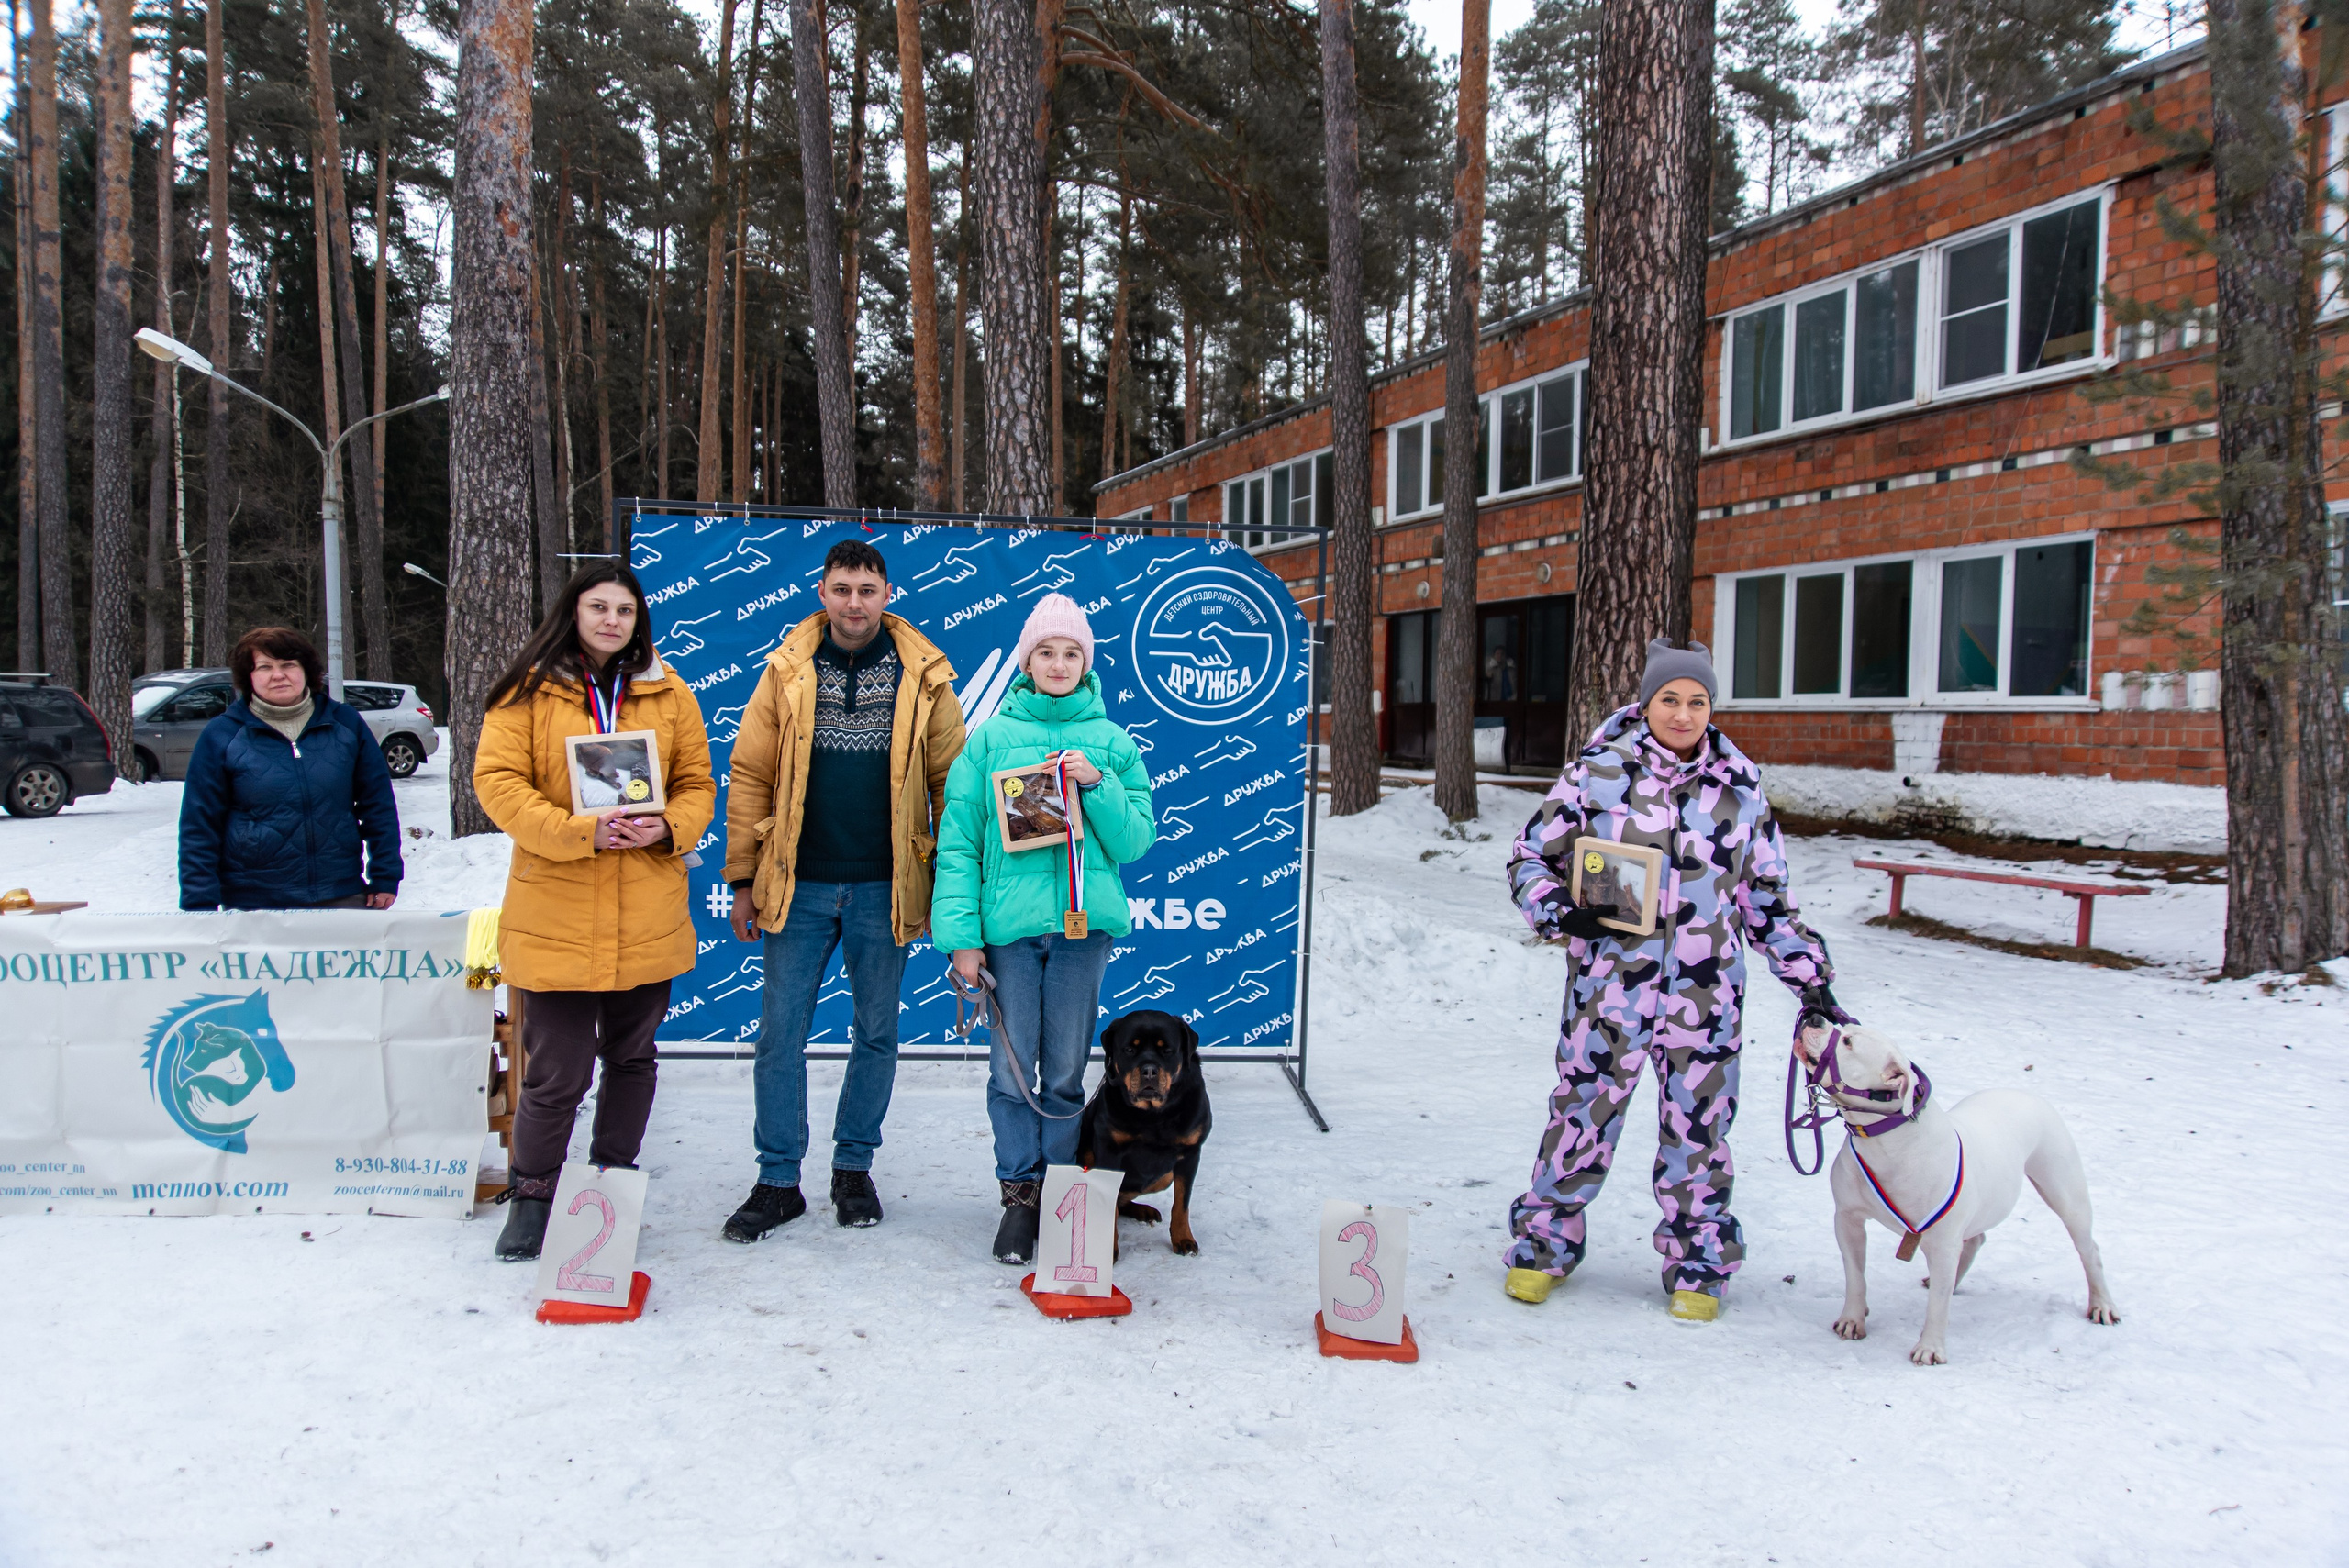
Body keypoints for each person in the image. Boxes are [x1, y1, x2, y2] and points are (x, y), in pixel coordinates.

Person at [1500, 638, 1842, 1322]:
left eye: (1697, 701)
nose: (1683, 713)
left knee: (1700, 1131)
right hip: (1608, 992)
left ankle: (1698, 1262)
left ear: (1711, 707)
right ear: (1646, 702)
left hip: (1705, 999)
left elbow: (1767, 900)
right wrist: (1562, 911)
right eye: (1670, 699)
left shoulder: (1740, 790)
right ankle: (1543, 1244)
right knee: (1581, 1115)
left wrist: (1811, 978)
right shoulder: (1596, 773)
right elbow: (1528, 857)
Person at [719, 539, 967, 1240]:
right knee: (779, 1036)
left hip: (884, 887)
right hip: (796, 886)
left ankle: (853, 1166)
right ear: (822, 593)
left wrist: (948, 885)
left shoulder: (926, 677)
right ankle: (777, 1180)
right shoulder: (786, 670)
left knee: (879, 1033)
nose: (854, 601)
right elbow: (750, 773)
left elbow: (955, 785)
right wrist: (742, 876)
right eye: (842, 588)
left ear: (887, 594)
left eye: (867, 588)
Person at [473, 562, 716, 1262]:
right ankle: (533, 1194)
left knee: (633, 1059)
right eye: (598, 607)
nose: (612, 620)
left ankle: (609, 1188)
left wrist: (668, 825)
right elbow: (498, 783)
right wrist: (582, 830)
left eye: (625, 610)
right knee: (556, 1073)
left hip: (646, 908)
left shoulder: (669, 693)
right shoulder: (528, 691)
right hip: (558, 909)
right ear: (572, 612)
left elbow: (697, 783)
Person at [931, 593, 1156, 1265]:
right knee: (1011, 1072)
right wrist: (963, 939)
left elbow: (1137, 838)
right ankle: (1018, 1199)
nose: (1058, 663)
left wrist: (1099, 785)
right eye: (1045, 652)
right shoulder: (992, 739)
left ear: (1085, 663)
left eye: (1070, 653)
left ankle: (1063, 1197)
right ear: (1027, 661)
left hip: (1083, 936)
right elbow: (958, 843)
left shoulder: (1113, 743)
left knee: (1062, 1072)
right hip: (1009, 935)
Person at [178, 626, 403, 912]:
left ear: (306, 670)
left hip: (340, 893)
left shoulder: (345, 723)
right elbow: (199, 824)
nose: (278, 674)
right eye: (264, 666)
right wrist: (200, 902)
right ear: (249, 676)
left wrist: (385, 874)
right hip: (253, 903)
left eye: (288, 664)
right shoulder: (221, 734)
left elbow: (378, 804)